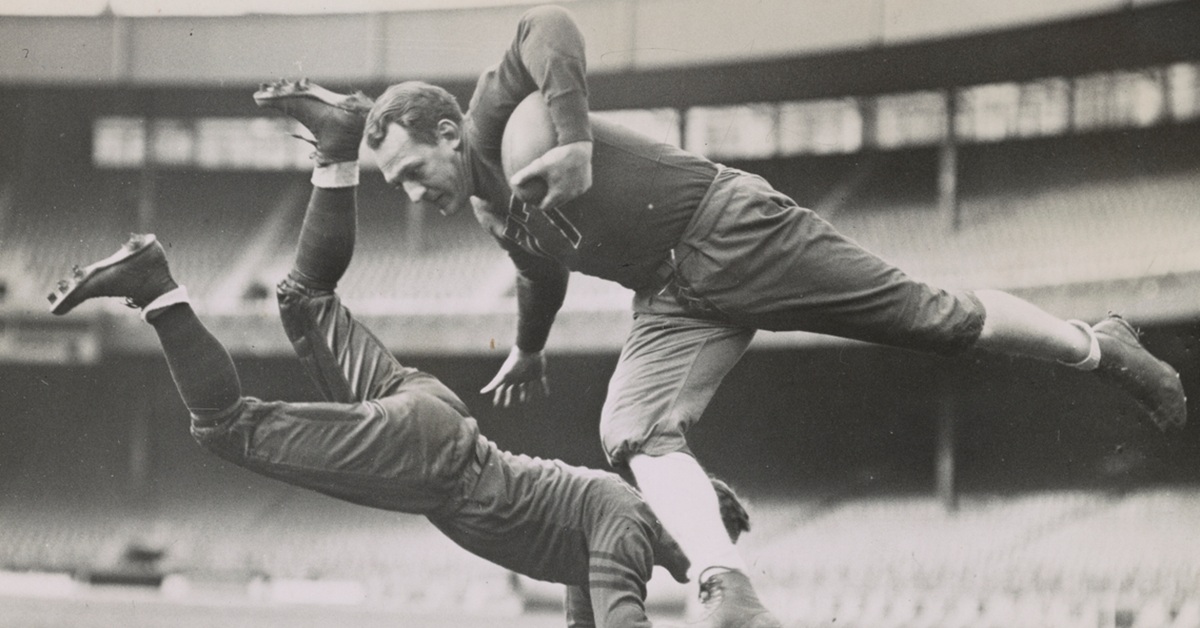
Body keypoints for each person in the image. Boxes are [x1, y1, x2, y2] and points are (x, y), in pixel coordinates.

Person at [311, 6, 1186, 626]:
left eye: (412, 171)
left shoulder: (494, 115)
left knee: (934, 318)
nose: (413, 194)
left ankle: (1097, 346)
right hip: (672, 298)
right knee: (630, 429)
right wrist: (530, 346)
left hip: (729, 226)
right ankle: (727, 589)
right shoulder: (489, 209)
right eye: (396, 185)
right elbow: (540, 275)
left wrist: (573, 139)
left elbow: (549, 23)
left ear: (446, 133)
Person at [44, 82, 759, 628]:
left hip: (434, 417)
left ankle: (337, 146)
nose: (694, 573)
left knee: (304, 299)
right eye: (702, 557)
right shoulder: (628, 527)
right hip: (433, 462)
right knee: (227, 428)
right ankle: (157, 289)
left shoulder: (610, 517)